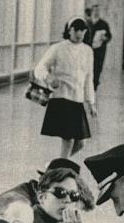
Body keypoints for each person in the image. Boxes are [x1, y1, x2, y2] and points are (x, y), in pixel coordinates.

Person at [35, 18, 96, 159]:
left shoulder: (88, 51)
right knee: (68, 140)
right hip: (62, 97)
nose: (79, 33)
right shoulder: (58, 48)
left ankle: (53, 166)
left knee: (80, 143)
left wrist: (91, 102)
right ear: (69, 31)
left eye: (82, 30)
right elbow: (39, 68)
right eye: (76, 30)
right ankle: (58, 168)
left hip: (77, 99)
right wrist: (48, 77)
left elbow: (89, 78)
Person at [85, 3, 112, 91]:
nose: (96, 12)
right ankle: (87, 85)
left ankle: (94, 86)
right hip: (88, 50)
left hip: (99, 51)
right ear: (92, 12)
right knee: (87, 67)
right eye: (95, 11)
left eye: (98, 11)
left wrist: (105, 38)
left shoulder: (104, 24)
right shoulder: (87, 23)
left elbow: (109, 36)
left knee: (97, 68)